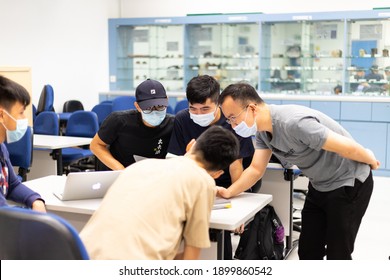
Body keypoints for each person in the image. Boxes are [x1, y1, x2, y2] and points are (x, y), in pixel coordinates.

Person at [217, 82, 380, 260]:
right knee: (308, 251)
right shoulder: (263, 132)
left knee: (338, 253)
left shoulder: (294, 123)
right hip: (319, 184)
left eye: (233, 117)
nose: (232, 125)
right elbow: (256, 169)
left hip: (349, 180)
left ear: (252, 108)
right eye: (229, 120)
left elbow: (345, 146)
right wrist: (228, 192)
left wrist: (370, 159)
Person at [80, 126, 240, 260]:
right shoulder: (203, 182)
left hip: (80, 256)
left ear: (192, 145)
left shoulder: (141, 166)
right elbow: (190, 259)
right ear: (218, 173)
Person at [166, 74, 255, 259]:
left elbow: (236, 167)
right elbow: (174, 160)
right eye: (193, 108)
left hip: (228, 183)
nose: (198, 114)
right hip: (193, 181)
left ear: (218, 102)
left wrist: (237, 207)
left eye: (205, 108)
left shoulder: (232, 120)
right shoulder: (183, 119)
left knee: (218, 233)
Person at [90, 79, 174, 171]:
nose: (155, 112)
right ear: (137, 106)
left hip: (151, 175)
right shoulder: (119, 120)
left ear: (167, 100)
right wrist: (120, 170)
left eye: (160, 106)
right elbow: (96, 145)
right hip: (118, 174)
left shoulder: (173, 124)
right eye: (148, 108)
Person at [0, 76, 46, 212]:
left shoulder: (1, 147)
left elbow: (12, 185)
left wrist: (35, 200)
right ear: (2, 115)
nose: (24, 119)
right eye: (21, 113)